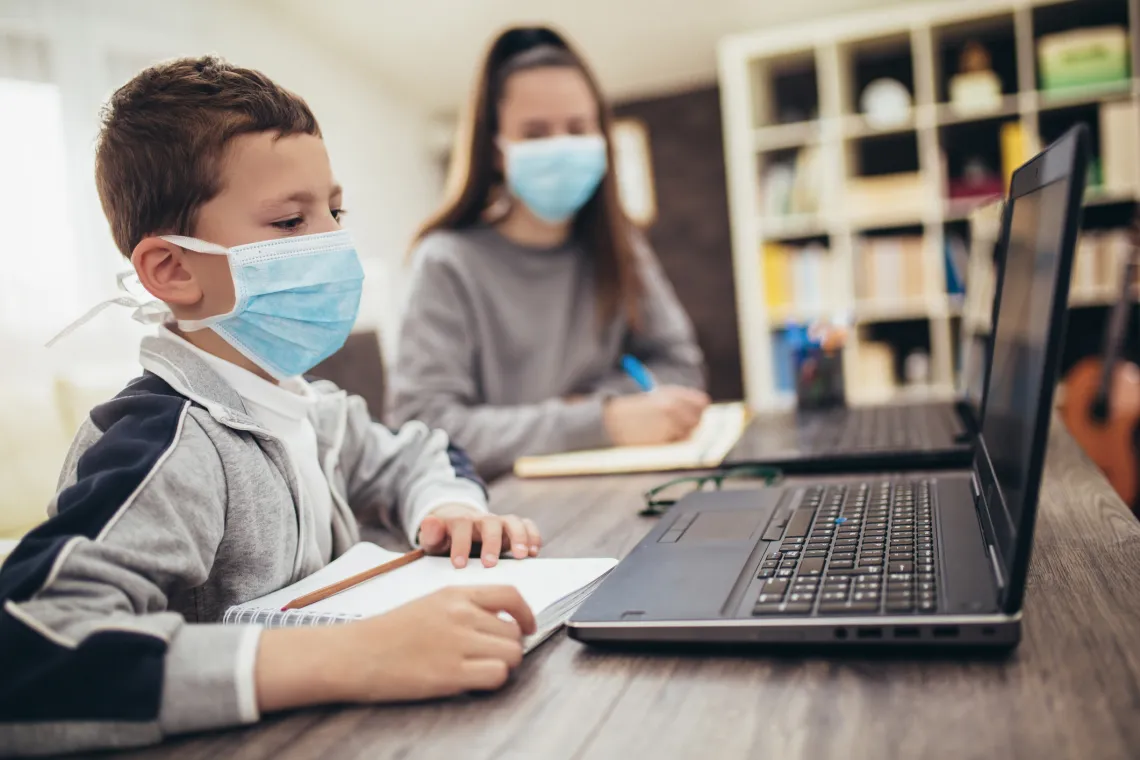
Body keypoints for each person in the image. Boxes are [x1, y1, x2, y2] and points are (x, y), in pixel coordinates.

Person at [0, 56, 544, 757]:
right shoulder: (160, 445)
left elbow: (416, 454)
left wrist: (449, 509)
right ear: (172, 270)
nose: (332, 241)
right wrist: (355, 656)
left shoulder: (304, 406)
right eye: (290, 221)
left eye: (334, 211)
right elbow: (26, 655)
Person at [391, 26, 709, 479]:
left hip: (622, 484)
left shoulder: (622, 247)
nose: (560, 146)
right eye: (535, 133)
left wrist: (602, 403)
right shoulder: (445, 262)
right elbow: (425, 427)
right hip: (503, 512)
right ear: (497, 149)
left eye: (578, 128)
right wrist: (603, 420)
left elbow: (680, 367)